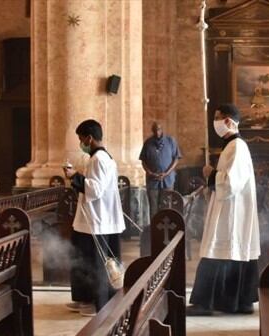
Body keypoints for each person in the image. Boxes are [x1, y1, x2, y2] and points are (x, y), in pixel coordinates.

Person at [188, 104, 261, 315]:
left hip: (232, 212)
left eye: (218, 117)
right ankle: (235, 302)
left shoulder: (237, 146)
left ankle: (205, 303)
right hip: (227, 207)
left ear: (229, 120)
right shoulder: (231, 146)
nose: (215, 122)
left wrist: (211, 174)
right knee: (226, 251)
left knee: (219, 249)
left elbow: (230, 183)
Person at [63, 119, 125, 315]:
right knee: (82, 258)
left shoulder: (99, 159)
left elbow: (95, 189)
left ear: (89, 138)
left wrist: (74, 177)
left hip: (98, 221)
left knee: (95, 263)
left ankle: (97, 303)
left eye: (81, 138)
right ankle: (86, 298)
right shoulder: (101, 158)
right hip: (92, 219)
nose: (80, 142)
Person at [139, 122, 183, 220]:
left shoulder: (171, 141)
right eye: (154, 130)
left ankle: (166, 232)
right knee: (153, 207)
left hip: (167, 180)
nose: (157, 132)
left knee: (166, 206)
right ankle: (154, 231)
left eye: (158, 129)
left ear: (162, 129)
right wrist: (149, 172)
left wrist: (167, 173)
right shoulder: (148, 143)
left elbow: (176, 159)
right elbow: (143, 161)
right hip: (152, 181)